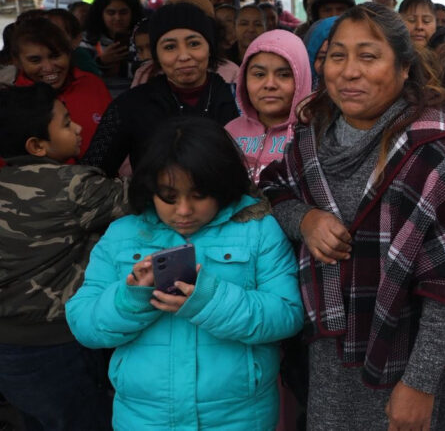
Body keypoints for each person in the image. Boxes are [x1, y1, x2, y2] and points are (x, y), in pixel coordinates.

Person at [260, 4, 445, 430]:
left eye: (368, 57)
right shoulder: (311, 135)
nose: (349, 72)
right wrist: (304, 219)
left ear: (405, 67)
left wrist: (420, 383)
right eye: (337, 56)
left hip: (415, 360)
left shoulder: (441, 148)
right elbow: (275, 187)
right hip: (333, 359)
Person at [67, 116, 304, 431]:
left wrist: (210, 301)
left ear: (222, 185)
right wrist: (131, 299)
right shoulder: (123, 234)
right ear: (149, 187)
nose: (183, 210)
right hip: (145, 418)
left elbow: (286, 315)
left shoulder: (257, 229)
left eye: (198, 195)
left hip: (239, 417)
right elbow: (83, 323)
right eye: (168, 196)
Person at [0, 83, 130, 431]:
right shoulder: (73, 186)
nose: (78, 128)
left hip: (8, 347)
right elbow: (150, 194)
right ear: (37, 146)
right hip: (59, 344)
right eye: (66, 122)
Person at [81, 2, 239, 177]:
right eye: (170, 47)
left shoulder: (238, 101)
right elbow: (90, 175)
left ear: (210, 48)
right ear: (156, 55)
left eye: (194, 44)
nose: (184, 56)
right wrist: (135, 196)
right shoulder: (129, 106)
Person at [10, 18, 112, 157]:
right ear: (18, 62)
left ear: (69, 53)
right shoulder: (10, 105)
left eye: (55, 56)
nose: (48, 68)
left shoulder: (93, 84)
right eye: (35, 60)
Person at [226, 30, 312, 182]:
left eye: (284, 75)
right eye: (259, 74)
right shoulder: (229, 133)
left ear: (302, 78)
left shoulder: (314, 135)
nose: (270, 84)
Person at [83, 0, 144, 98]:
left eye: (123, 12)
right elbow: (82, 73)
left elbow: (152, 70)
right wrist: (101, 62)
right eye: (111, 13)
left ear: (133, 13)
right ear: (101, 14)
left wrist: (120, 69)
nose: (117, 18)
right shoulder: (88, 40)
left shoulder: (143, 38)